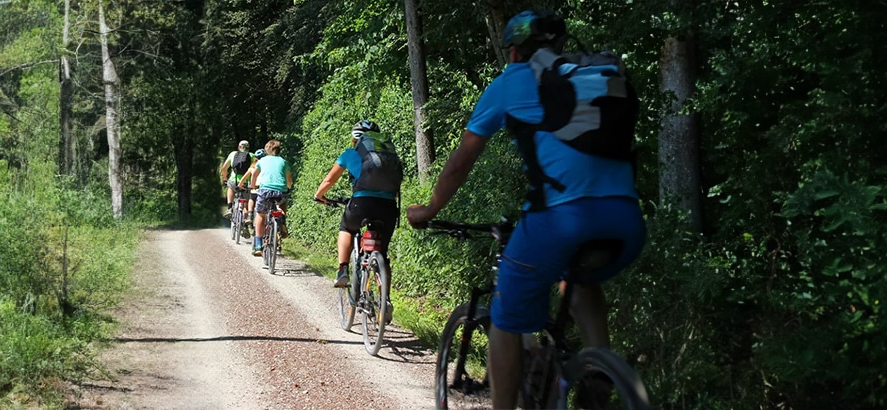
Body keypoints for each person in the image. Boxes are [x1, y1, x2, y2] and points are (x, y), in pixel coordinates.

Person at [402, 10, 646, 410]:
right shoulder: (590, 75)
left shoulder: (512, 81)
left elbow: (461, 161)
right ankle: (599, 370)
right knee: (579, 279)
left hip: (559, 221)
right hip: (626, 220)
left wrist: (428, 208)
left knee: (506, 319)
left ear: (513, 51)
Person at [312, 120, 401, 288]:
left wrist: (319, 195)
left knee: (347, 227)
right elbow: (395, 191)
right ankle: (385, 301)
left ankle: (343, 269)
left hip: (361, 204)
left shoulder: (350, 154)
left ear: (355, 139)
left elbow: (329, 180)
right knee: (382, 253)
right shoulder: (389, 157)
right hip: (388, 207)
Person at [242, 140, 292, 257]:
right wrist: (288, 187)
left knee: (260, 215)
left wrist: (253, 185)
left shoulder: (262, 161)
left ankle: (258, 245)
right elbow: (289, 179)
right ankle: (282, 221)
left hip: (265, 191)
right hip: (280, 191)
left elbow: (255, 175)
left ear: (267, 150)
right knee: (283, 203)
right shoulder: (284, 162)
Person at [219, 140, 254, 208]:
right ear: (248, 148)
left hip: (233, 181)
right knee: (246, 206)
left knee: (230, 187)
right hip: (246, 183)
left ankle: (229, 207)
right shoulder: (252, 155)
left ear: (239, 147)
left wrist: (225, 178)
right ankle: (246, 216)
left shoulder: (233, 154)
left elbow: (224, 169)